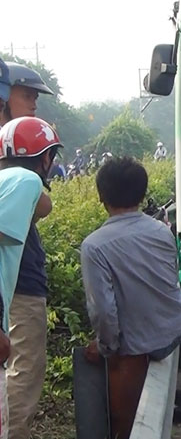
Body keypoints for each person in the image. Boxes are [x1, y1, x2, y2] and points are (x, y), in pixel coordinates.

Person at [80, 157, 181, 439]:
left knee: (117, 357)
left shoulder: (94, 246)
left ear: (101, 196)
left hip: (145, 342)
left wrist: (104, 348)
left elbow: (104, 313)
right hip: (176, 326)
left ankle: (122, 427)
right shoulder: (162, 231)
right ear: (142, 195)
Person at [1, 64, 57, 439]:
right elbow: (43, 204)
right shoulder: (19, 172)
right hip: (16, 286)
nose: (34, 103)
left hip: (18, 279)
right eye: (27, 95)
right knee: (23, 367)